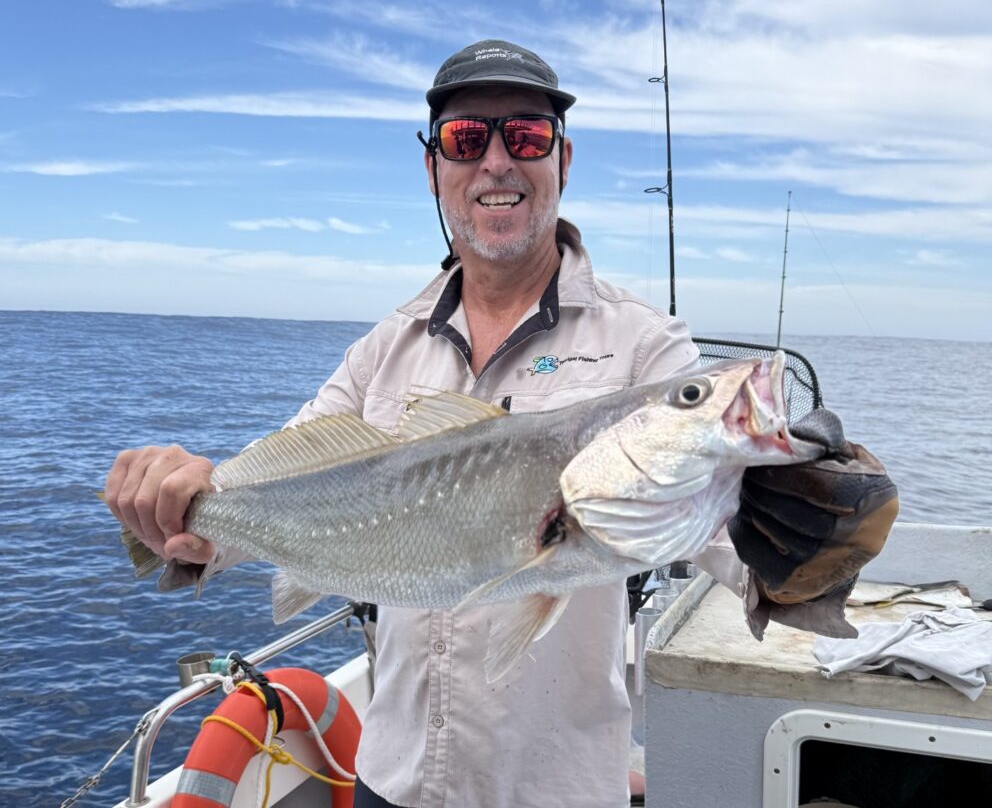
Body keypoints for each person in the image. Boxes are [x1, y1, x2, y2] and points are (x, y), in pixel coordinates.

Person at [105, 40, 898, 808]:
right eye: (464, 138)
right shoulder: (385, 348)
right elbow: (276, 493)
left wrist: (804, 546)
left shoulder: (648, 348)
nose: (495, 162)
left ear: (563, 159)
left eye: (525, 135)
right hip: (393, 777)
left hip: (555, 790)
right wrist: (188, 517)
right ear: (434, 168)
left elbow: (734, 545)